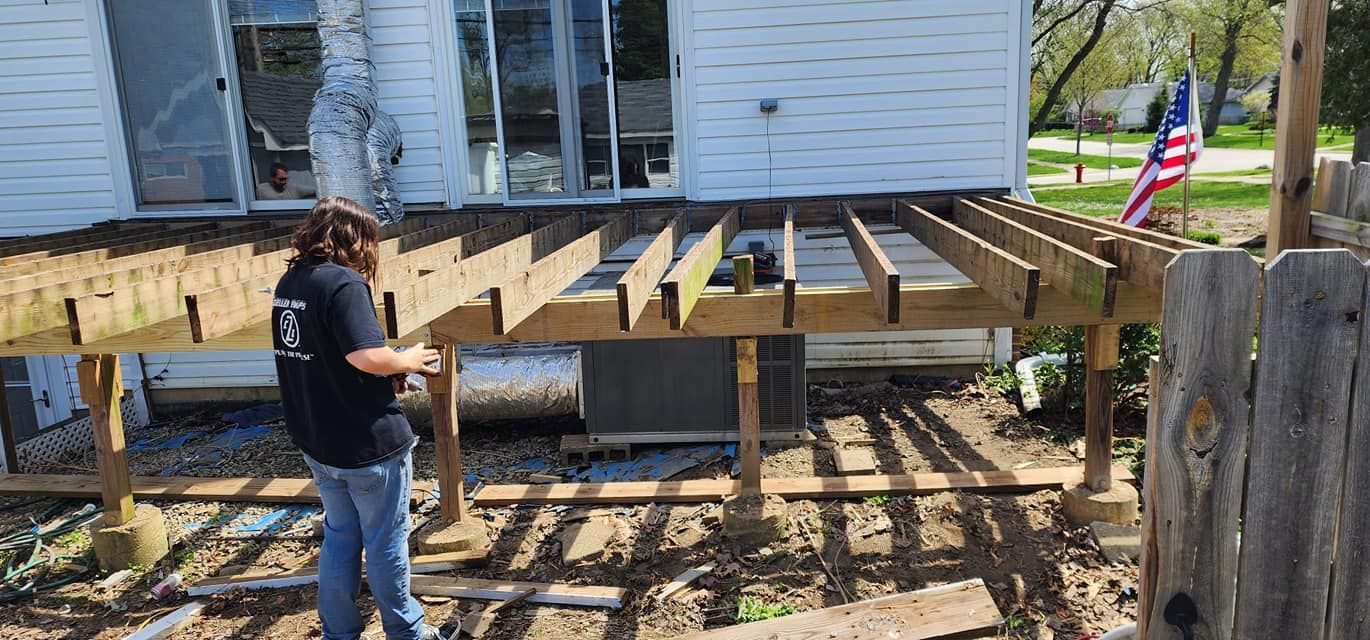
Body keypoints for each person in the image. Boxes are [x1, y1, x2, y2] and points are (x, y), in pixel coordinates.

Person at [271, 196, 446, 640]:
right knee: (385, 542)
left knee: (341, 537)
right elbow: (366, 355)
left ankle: (339, 633)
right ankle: (407, 633)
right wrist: (403, 361)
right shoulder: (343, 284)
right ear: (354, 238)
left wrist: (384, 375)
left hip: (319, 441)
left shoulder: (292, 283)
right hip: (366, 445)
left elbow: (328, 360)